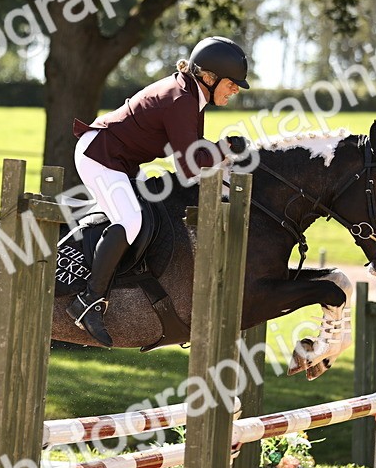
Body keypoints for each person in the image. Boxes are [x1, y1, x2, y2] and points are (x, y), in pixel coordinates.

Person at [68, 36, 250, 347]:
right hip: (100, 156)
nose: (236, 89)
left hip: (121, 160)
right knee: (131, 222)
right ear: (209, 77)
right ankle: (88, 301)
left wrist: (219, 153)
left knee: (151, 217)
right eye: (232, 83)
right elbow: (190, 166)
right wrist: (223, 149)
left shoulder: (191, 95)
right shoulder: (180, 99)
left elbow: (190, 153)